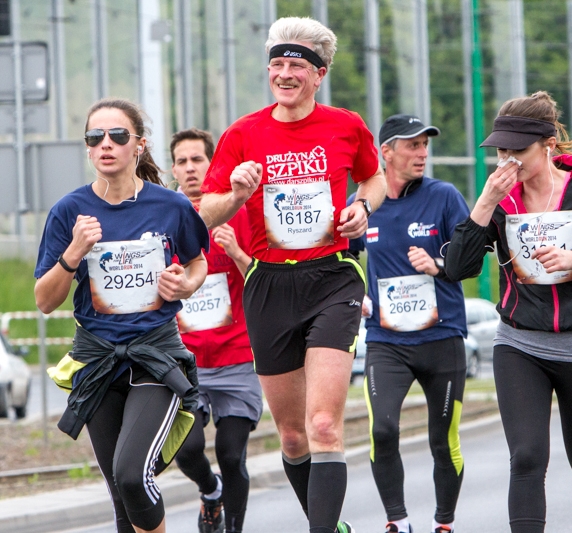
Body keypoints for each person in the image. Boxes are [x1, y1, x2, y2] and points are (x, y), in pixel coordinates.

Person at [198, 16, 387, 533]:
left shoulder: (346, 126)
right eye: (277, 64)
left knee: (324, 425)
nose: (284, 73)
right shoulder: (243, 134)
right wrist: (236, 194)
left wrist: (363, 207)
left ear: (318, 74)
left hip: (333, 278)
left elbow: (375, 178)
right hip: (268, 283)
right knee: (293, 437)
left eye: (296, 65)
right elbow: (205, 214)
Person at [444, 91, 572, 533]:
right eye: (501, 152)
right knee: (526, 458)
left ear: (548, 146)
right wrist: (483, 204)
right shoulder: (501, 202)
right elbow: (457, 268)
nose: (507, 161)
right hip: (521, 344)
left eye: (517, 151)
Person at [35, 98, 209, 533]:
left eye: (118, 136)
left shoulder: (171, 206)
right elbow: (44, 299)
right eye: (96, 138)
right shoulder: (68, 211)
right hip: (98, 360)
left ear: (139, 146)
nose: (106, 145)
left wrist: (186, 285)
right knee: (119, 493)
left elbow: (198, 261)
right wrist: (73, 252)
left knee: (132, 475)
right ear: (88, 150)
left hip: (155, 355)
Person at [349, 115, 471, 533]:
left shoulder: (444, 196)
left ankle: (444, 523)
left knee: (443, 439)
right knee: (382, 429)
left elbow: (471, 257)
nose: (422, 154)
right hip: (387, 341)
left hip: (442, 337)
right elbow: (344, 260)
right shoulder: (364, 202)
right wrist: (358, 296)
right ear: (386, 151)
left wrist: (438, 264)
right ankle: (396, 522)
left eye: (424, 146)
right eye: (412, 146)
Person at [169, 128, 263, 533]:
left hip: (236, 356)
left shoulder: (239, 213)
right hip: (184, 360)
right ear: (173, 168)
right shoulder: (164, 216)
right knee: (187, 450)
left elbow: (264, 283)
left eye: (198, 160)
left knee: (230, 453)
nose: (190, 169)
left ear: (212, 165)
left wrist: (237, 252)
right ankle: (210, 493)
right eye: (182, 161)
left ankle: (233, 528)